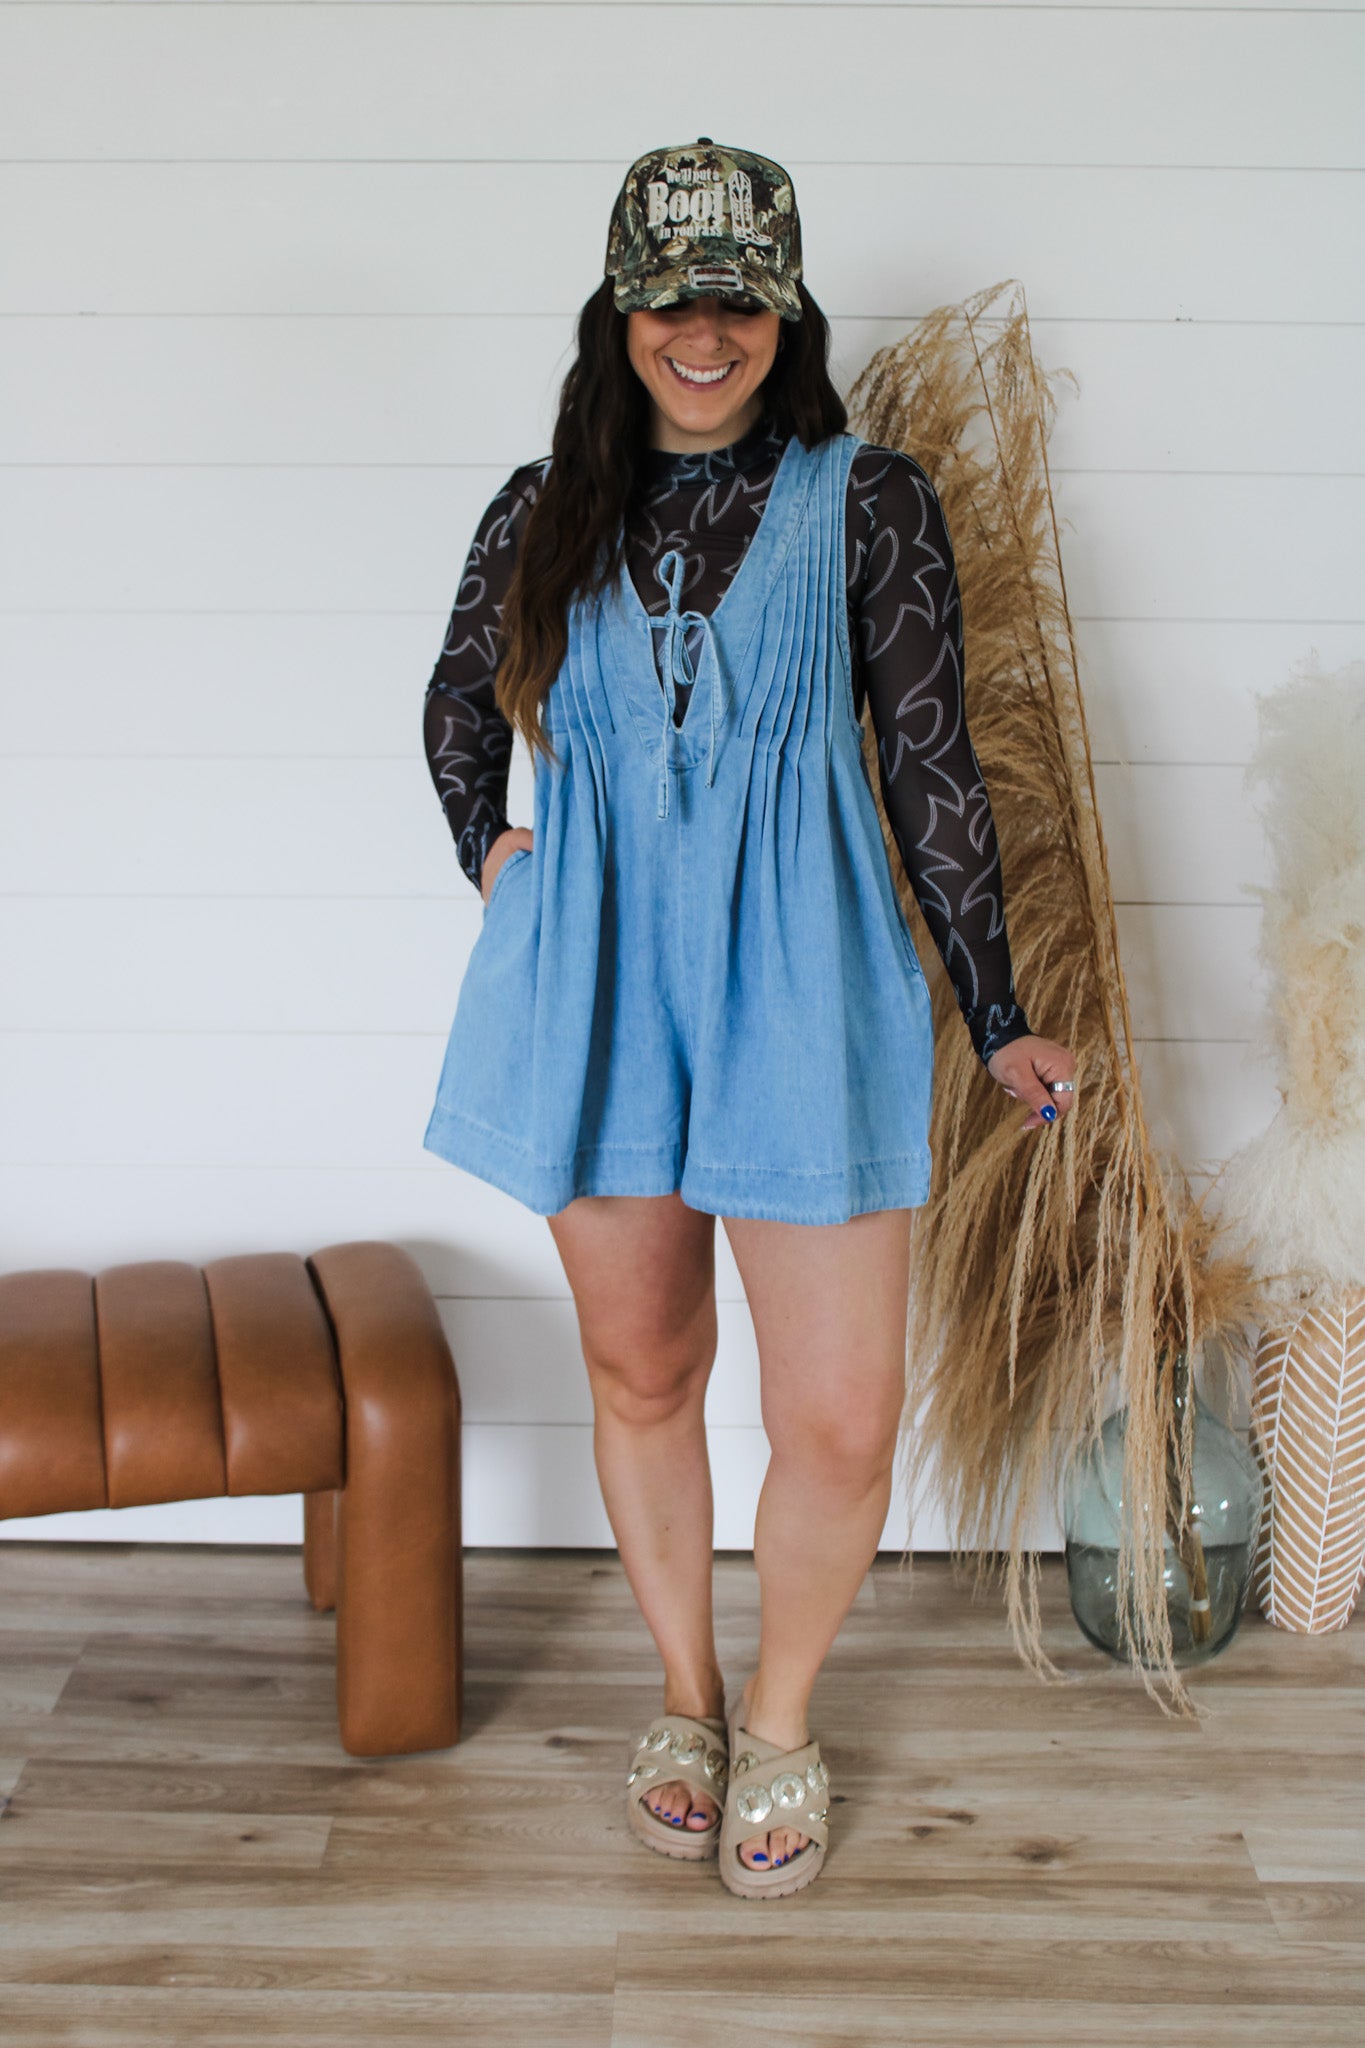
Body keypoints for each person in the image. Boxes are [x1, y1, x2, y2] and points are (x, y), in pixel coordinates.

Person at [422, 139, 1077, 1899]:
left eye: (737, 298)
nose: (702, 331)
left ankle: (782, 1714)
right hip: (601, 985)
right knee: (644, 1370)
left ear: (785, 314)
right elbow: (456, 711)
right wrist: (500, 857)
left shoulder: (868, 500)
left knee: (840, 1415)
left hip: (806, 976)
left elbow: (932, 766)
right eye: (669, 297)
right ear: (618, 311)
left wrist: (996, 1011)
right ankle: (686, 1697)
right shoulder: (538, 507)